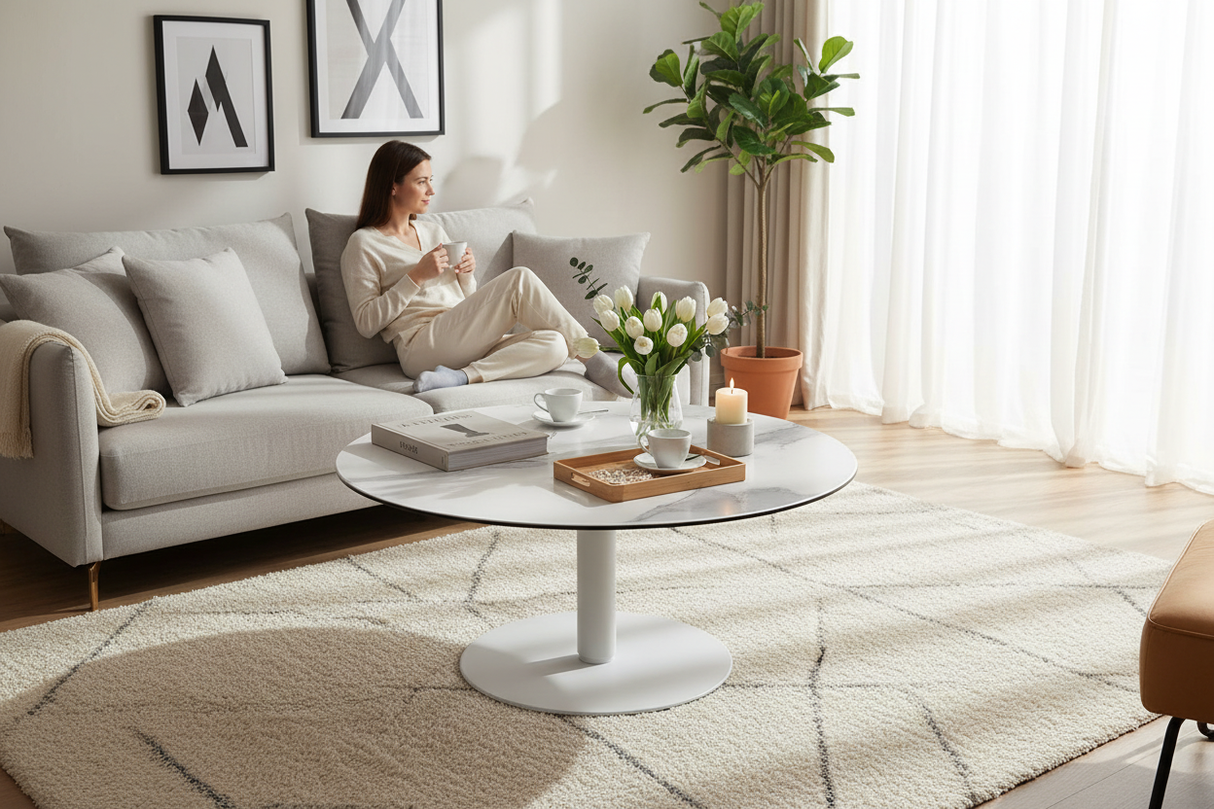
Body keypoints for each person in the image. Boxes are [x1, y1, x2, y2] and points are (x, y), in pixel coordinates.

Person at [340, 141, 631, 396]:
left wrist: (465, 276)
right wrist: (416, 276)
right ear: (393, 185)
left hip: (460, 339)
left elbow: (465, 303)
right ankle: (591, 356)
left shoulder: (432, 230)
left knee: (554, 343)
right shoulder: (364, 244)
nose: (431, 190)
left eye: (431, 180)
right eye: (421, 182)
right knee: (520, 279)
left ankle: (459, 376)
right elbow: (366, 323)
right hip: (420, 345)